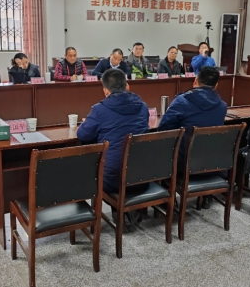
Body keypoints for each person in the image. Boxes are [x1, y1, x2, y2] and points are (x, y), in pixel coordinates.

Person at [77, 68, 149, 227]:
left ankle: (119, 211)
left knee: (95, 162)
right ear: (127, 86)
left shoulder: (99, 109)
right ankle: (129, 211)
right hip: (143, 176)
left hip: (113, 181)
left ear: (105, 90)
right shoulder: (143, 107)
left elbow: (82, 135)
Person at [158, 66, 227, 208]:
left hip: (184, 163)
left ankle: (169, 201)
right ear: (216, 85)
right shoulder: (222, 106)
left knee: (162, 150)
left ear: (195, 81)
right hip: (213, 163)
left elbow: (163, 129)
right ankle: (206, 196)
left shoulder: (182, 101)